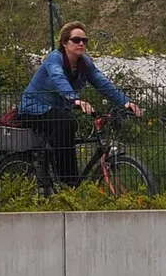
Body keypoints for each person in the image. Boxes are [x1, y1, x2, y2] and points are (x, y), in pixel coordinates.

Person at [17, 22, 143, 185]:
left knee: (67, 127)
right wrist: (75, 99)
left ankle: (67, 176)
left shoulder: (84, 63)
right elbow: (58, 78)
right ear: (64, 42)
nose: (81, 43)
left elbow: (103, 83)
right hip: (33, 108)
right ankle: (61, 176)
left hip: (57, 110)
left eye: (85, 40)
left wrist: (126, 103)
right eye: (76, 40)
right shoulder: (54, 59)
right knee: (66, 124)